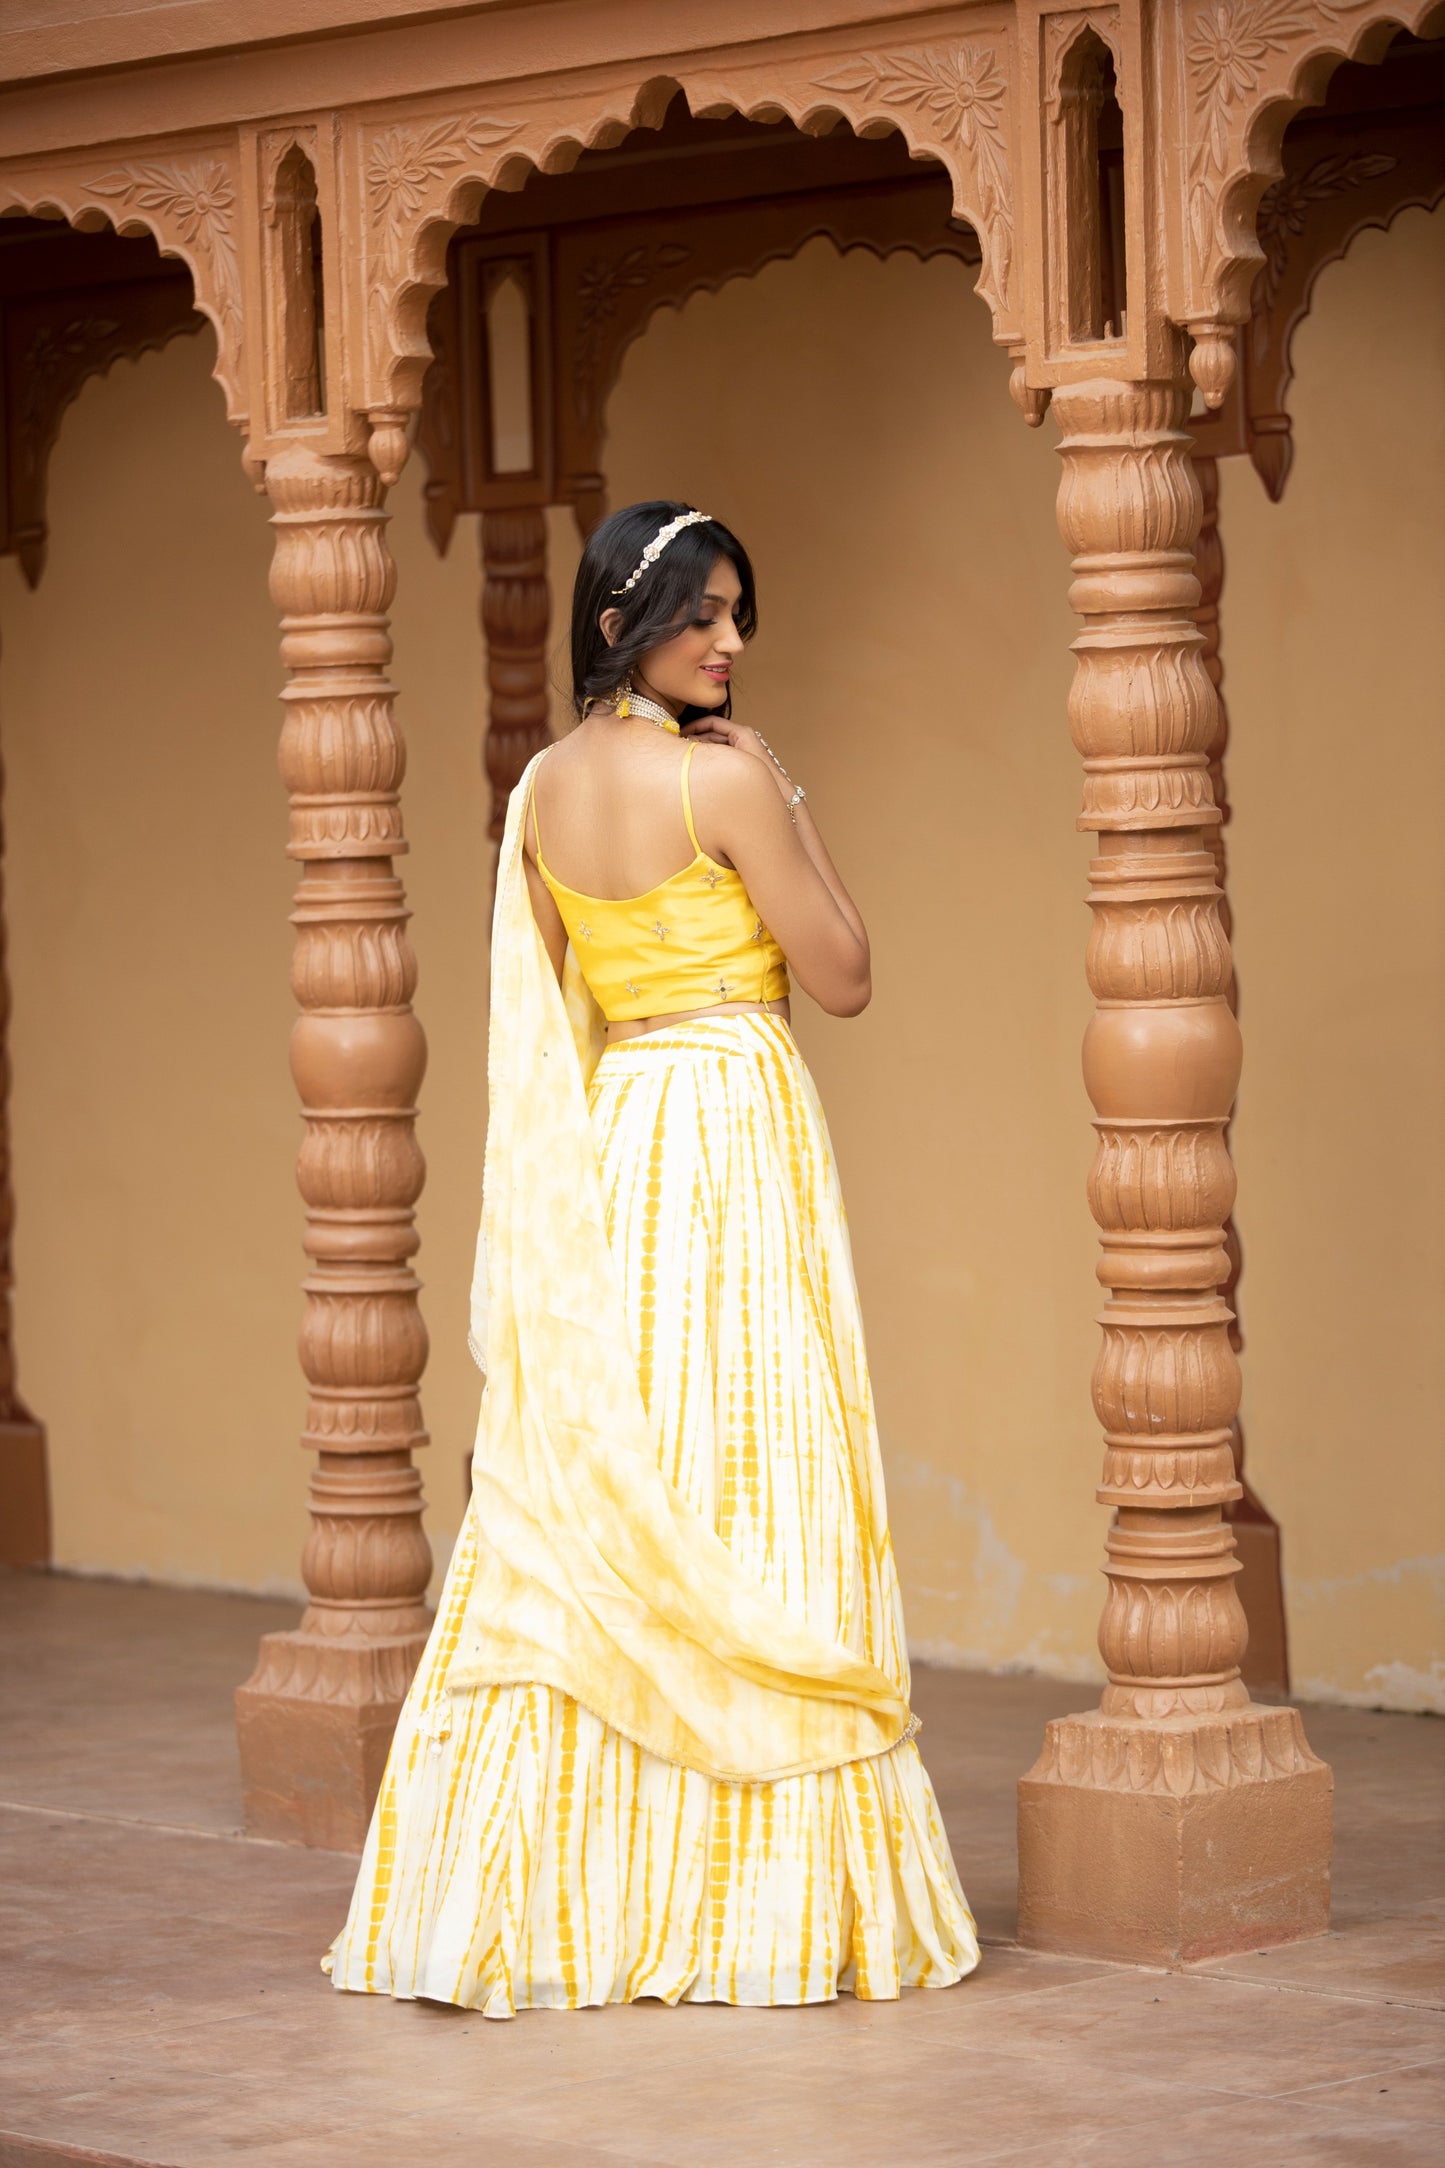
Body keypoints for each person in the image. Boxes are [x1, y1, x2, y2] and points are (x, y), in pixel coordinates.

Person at [324, 501, 978, 2016]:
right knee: (754, 1466)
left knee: (614, 1475)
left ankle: (546, 1891)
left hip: (616, 1144)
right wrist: (783, 793)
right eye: (707, 616)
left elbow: (554, 1009)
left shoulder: (542, 790)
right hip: (733, 1131)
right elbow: (848, 975)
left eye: (740, 614)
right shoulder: (719, 779)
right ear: (628, 623)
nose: (733, 643)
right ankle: (751, 1910)